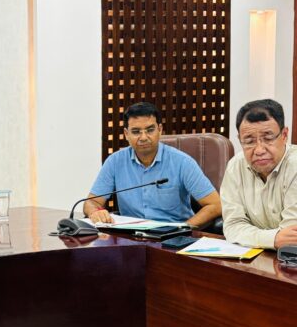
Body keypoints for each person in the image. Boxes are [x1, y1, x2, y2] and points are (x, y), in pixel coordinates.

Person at [83, 102, 221, 227]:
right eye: (136, 132)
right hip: (131, 237)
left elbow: (215, 205)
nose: (143, 137)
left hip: (173, 237)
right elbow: (91, 202)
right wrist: (95, 211)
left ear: (160, 130)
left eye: (150, 130)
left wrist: (184, 227)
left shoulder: (183, 162)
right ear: (126, 134)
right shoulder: (115, 161)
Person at [221, 99, 297, 249]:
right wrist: (273, 239)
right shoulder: (235, 166)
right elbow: (232, 226)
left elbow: (292, 237)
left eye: (268, 138)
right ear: (239, 140)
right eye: (249, 141)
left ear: (284, 135)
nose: (259, 150)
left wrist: (253, 237)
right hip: (258, 256)